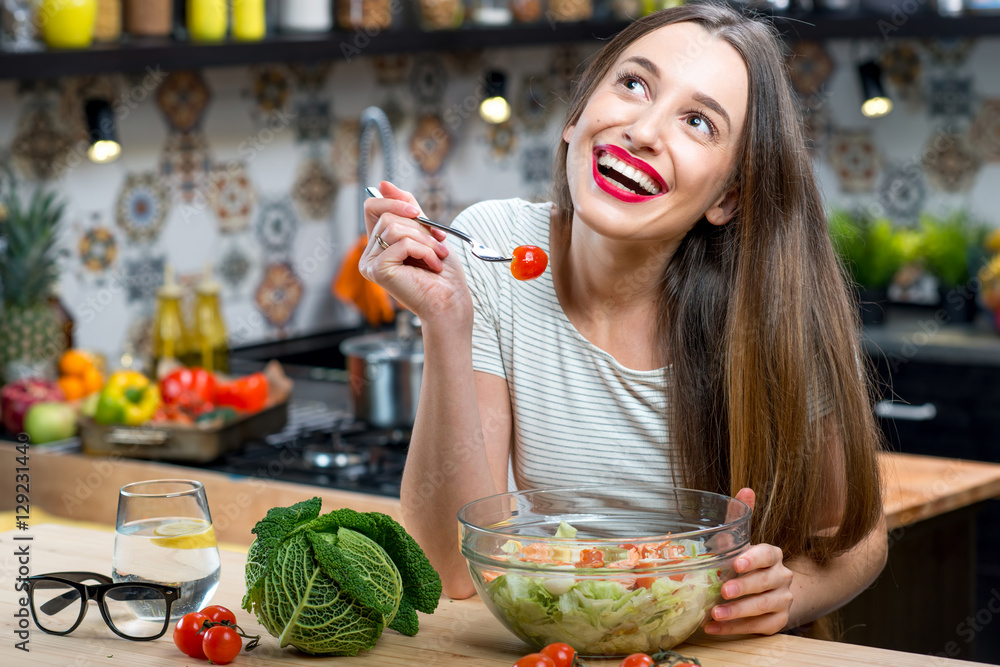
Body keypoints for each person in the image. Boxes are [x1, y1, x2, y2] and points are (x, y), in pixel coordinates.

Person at [359, 1, 887, 639]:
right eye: (633, 84)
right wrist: (444, 322)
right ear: (578, 114)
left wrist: (791, 592)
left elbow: (858, 539)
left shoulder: (767, 308)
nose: (643, 129)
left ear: (727, 196)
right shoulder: (490, 248)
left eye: (697, 122)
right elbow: (448, 569)